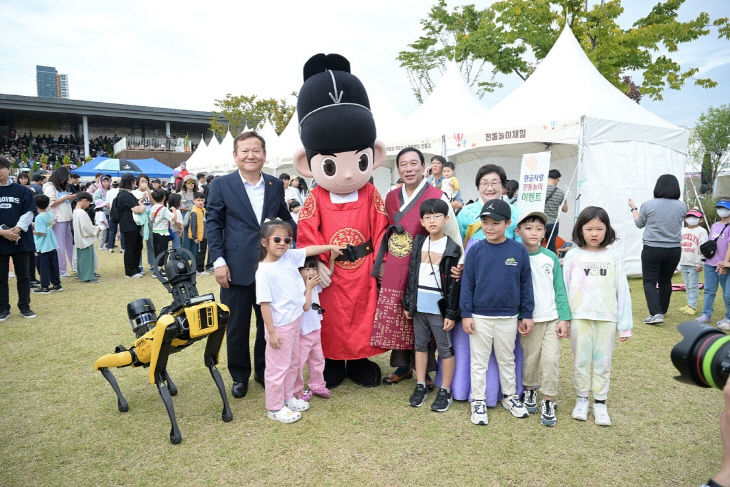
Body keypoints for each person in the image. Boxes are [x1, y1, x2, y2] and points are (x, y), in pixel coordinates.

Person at [292, 53, 390, 388]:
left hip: (363, 268)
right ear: (307, 164)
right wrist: (316, 264)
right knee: (331, 318)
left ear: (373, 155)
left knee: (363, 315)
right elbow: (306, 232)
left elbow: (381, 229)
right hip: (330, 269)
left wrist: (380, 264)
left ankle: (359, 359)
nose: (348, 174)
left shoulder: (371, 195)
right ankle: (333, 362)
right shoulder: (315, 198)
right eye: (332, 165)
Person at [207, 131, 295, 399]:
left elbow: (285, 218)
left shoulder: (274, 185)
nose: (251, 155)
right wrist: (218, 261)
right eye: (244, 151)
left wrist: (294, 240)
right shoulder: (221, 185)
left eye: (256, 150)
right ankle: (239, 375)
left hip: (269, 268)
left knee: (268, 322)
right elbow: (213, 224)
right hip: (234, 267)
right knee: (236, 325)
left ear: (264, 155)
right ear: (235, 155)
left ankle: (263, 370)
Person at [371, 147, 463, 387]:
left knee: (426, 314)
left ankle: (427, 369)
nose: (408, 169)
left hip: (426, 265)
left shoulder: (436, 195)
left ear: (425, 167)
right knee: (402, 316)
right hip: (396, 263)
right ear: (398, 169)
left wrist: (458, 263)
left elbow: (453, 233)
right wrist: (381, 262)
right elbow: (383, 230)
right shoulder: (391, 197)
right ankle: (404, 366)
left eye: (414, 163)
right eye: (403, 164)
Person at [255, 219, 342, 423]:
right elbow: (264, 305)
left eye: (287, 239)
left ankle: (288, 397)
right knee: (278, 369)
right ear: (264, 242)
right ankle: (275, 408)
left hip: (296, 321)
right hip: (280, 326)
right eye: (276, 239)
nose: (282, 243)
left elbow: (310, 249)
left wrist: (330, 247)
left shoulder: (290, 257)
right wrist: (272, 332)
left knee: (293, 363)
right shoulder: (264, 271)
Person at [460, 198, 534, 425]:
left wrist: (526, 314)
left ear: (509, 223)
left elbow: (525, 284)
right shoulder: (475, 250)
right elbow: (467, 283)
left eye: (496, 223)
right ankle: (478, 400)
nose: (490, 227)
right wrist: (466, 314)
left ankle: (510, 396)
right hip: (480, 316)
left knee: (506, 359)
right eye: (485, 222)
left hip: (509, 316)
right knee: (479, 361)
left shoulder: (518, 250)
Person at [563, 206, 633, 426]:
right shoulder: (572, 255)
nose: (594, 233)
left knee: (603, 362)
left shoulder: (613, 256)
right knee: (581, 361)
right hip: (579, 317)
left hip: (607, 318)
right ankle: (582, 399)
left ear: (607, 230)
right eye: (589, 228)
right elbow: (564, 289)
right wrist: (563, 319)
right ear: (580, 230)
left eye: (599, 229)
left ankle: (600, 402)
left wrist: (625, 324)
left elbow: (622, 289)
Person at [402, 198, 461, 412]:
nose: (432, 220)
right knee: (420, 345)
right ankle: (420, 384)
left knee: (445, 348)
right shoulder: (418, 242)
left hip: (440, 308)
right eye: (427, 217)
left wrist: (452, 313)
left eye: (437, 216)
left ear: (446, 219)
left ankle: (445, 389)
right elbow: (411, 275)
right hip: (419, 306)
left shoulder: (452, 247)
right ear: (422, 221)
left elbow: (454, 285)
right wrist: (409, 303)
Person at [514, 211, 571, 427]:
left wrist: (564, 318)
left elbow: (560, 289)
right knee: (530, 359)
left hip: (552, 319)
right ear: (518, 231)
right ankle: (529, 390)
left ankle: (549, 399)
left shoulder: (551, 257)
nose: (534, 233)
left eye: (539, 228)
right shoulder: (516, 256)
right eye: (528, 228)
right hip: (529, 321)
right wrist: (520, 317)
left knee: (551, 360)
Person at [629, 174, 686, 325]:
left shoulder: (648, 205)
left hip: (652, 248)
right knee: (665, 281)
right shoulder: (682, 206)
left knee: (649, 281)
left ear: (658, 187)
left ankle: (656, 313)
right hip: (674, 249)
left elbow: (639, 224)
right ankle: (662, 310)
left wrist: (633, 208)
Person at [0, 156, 37, 320]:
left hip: (21, 239)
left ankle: (25, 306)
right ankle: (3, 309)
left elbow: (29, 211)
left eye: (2, 168)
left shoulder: (22, 190)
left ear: (9, 169)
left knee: (24, 275)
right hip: (1, 240)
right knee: (1, 277)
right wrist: (3, 232)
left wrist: (18, 229)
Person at [292, 256, 331, 402]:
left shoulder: (314, 285)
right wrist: (308, 287)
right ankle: (297, 390)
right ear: (299, 271)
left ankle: (317, 384)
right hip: (303, 331)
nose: (312, 272)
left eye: (314, 268)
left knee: (318, 359)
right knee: (299, 362)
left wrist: (331, 260)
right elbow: (306, 306)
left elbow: (329, 276)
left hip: (316, 328)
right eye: (307, 269)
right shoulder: (298, 287)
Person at [457, 164, 521, 246]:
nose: (490, 188)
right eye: (484, 183)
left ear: (503, 186)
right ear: (478, 186)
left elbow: (520, 244)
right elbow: (458, 243)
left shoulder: (515, 212)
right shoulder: (465, 212)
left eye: (494, 183)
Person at [697, 200, 730, 328]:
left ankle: (728, 317)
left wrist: (725, 262)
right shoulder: (715, 225)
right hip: (710, 263)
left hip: (723, 264)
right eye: (719, 208)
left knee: (727, 293)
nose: (721, 210)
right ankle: (706, 314)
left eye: (724, 208)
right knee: (709, 290)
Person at [43, 166, 77, 278]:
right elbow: (50, 203)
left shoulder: (61, 187)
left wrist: (69, 198)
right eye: (64, 178)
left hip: (66, 217)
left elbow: (61, 201)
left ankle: (74, 266)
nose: (65, 181)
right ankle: (61, 270)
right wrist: (66, 198)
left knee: (69, 244)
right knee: (60, 245)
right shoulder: (49, 186)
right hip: (58, 219)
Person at [113, 173, 146, 278]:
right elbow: (137, 209)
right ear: (131, 182)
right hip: (128, 225)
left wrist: (141, 202)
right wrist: (142, 206)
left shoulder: (125, 194)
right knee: (131, 248)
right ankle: (130, 271)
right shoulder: (124, 195)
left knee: (137, 246)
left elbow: (136, 205)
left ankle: (135, 269)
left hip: (131, 224)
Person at [678, 209, 708, 316]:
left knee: (693, 285)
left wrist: (700, 263)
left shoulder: (702, 231)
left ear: (700, 219)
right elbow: (678, 246)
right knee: (687, 285)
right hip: (683, 261)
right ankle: (689, 304)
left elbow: (704, 248)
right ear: (685, 219)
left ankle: (693, 306)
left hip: (694, 263)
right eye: (689, 216)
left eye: (695, 217)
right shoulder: (682, 230)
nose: (691, 218)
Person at [31, 194, 62, 294]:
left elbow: (42, 232)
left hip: (43, 246)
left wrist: (33, 232)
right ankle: (57, 284)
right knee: (53, 265)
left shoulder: (39, 217)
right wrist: (33, 224)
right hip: (51, 244)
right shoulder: (48, 214)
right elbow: (49, 225)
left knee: (43, 266)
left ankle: (45, 287)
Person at [72, 192, 99, 283]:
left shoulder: (75, 212)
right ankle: (86, 277)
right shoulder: (81, 213)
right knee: (86, 259)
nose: (88, 205)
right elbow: (86, 228)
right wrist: (97, 229)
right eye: (88, 203)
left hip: (79, 238)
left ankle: (83, 275)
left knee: (81, 259)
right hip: (85, 239)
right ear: (84, 200)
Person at [132, 174, 155, 272]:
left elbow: (154, 204)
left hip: (149, 218)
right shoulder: (133, 193)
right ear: (137, 182)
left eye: (146, 181)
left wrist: (149, 192)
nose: (144, 183)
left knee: (151, 242)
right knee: (138, 243)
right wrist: (142, 198)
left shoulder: (151, 192)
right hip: (138, 218)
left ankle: (152, 264)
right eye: (142, 181)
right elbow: (134, 206)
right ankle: (139, 264)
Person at [544, 169, 568, 253]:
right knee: (551, 244)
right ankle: (552, 263)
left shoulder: (541, 191)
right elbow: (565, 210)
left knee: (537, 244)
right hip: (554, 224)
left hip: (541, 223)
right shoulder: (561, 193)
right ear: (557, 179)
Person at [149, 189, 175, 267]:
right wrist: (174, 211)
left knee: (157, 251)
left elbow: (150, 219)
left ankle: (156, 268)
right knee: (163, 252)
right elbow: (173, 218)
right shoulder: (164, 209)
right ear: (164, 197)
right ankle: (159, 269)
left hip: (155, 232)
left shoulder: (153, 208)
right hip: (163, 233)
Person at [188, 191, 208, 275]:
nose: (200, 202)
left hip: (204, 234)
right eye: (198, 200)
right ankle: (199, 270)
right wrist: (195, 236)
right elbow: (193, 225)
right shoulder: (194, 211)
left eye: (202, 200)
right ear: (194, 201)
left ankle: (197, 268)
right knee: (199, 253)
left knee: (202, 252)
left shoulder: (202, 209)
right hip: (199, 236)